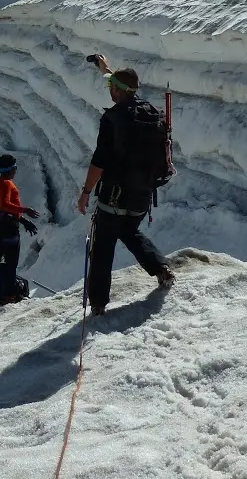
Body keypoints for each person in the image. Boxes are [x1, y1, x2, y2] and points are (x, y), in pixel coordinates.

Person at [77, 55, 176, 316]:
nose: (109, 90)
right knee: (129, 231)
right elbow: (117, 79)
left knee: (102, 247)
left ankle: (98, 304)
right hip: (142, 195)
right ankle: (161, 269)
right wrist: (104, 67)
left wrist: (86, 192)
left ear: (119, 91)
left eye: (112, 87)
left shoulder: (113, 119)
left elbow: (99, 160)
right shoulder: (152, 114)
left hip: (114, 195)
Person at [0, 153, 41, 296]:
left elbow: (5, 209)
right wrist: (25, 210)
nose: (16, 170)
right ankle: (9, 294)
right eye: (15, 167)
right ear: (11, 168)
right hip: (8, 229)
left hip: (2, 225)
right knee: (11, 261)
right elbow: (5, 205)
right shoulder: (6, 183)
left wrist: (23, 220)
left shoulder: (1, 182)